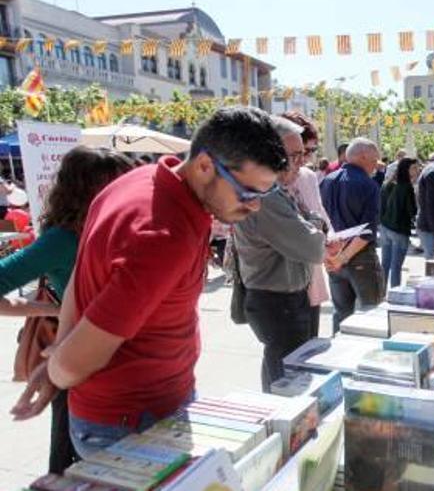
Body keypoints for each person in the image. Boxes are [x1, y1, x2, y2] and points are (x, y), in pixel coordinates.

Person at [11, 107, 288, 458]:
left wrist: (57, 364)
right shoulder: (163, 236)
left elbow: (80, 289)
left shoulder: (142, 179)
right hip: (130, 421)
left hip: (138, 408)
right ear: (204, 166)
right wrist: (57, 368)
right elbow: (74, 364)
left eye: (264, 196)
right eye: (249, 194)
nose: (255, 208)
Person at [0, 146, 132, 473]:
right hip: (83, 366)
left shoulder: (119, 228)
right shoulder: (63, 239)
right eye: (118, 185)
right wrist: (53, 310)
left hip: (128, 366)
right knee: (69, 461)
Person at [234, 117, 327, 392]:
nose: (302, 161)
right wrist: (316, 227)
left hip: (282, 298)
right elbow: (311, 246)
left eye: (305, 154)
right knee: (287, 382)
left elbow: (308, 226)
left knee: (285, 371)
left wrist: (312, 225)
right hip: (278, 301)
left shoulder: (272, 191)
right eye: (295, 155)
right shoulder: (265, 196)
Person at [320, 138, 384, 331]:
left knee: (341, 313)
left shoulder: (327, 181)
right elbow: (367, 232)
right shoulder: (368, 185)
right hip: (359, 259)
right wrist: (343, 257)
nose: (377, 164)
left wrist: (334, 258)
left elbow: (318, 223)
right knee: (372, 313)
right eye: (375, 159)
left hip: (333, 257)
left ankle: (338, 353)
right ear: (363, 156)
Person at [284, 111, 333, 338]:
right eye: (304, 151)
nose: (306, 158)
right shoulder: (268, 181)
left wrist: (332, 238)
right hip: (283, 279)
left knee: (310, 340)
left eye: (311, 151)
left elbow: (320, 214)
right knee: (286, 351)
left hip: (311, 270)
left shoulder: (308, 177)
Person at [379, 157, 418, 288]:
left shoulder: (387, 184)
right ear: (405, 169)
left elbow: (381, 207)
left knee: (385, 263)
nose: (417, 170)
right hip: (400, 229)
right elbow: (412, 211)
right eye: (413, 168)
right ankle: (395, 291)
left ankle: (381, 292)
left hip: (385, 228)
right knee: (396, 266)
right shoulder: (407, 187)